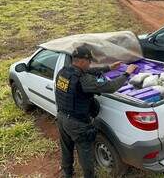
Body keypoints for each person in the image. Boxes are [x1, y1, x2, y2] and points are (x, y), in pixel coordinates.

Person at [55, 45, 137, 178]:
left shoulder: (64, 72)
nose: (90, 63)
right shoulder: (83, 80)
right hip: (77, 124)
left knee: (66, 149)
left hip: (62, 117)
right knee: (85, 155)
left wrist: (109, 68)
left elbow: (88, 71)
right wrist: (127, 73)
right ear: (82, 61)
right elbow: (110, 87)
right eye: (89, 61)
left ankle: (67, 173)